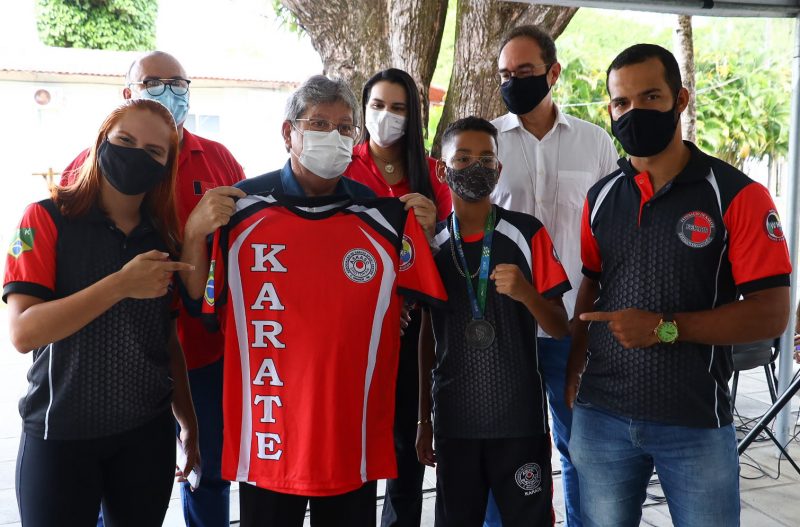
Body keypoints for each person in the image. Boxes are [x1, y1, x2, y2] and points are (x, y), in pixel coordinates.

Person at [181, 75, 448, 527]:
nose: (334, 136)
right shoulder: (242, 208)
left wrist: (419, 236)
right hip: (270, 429)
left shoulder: (379, 214)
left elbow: (415, 298)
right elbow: (199, 303)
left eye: (345, 127)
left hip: (347, 428)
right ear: (289, 133)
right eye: (320, 124)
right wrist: (193, 233)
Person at [566, 44, 791, 527]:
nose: (634, 112)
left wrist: (664, 327)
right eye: (621, 102)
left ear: (680, 99)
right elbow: (592, 287)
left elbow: (772, 312)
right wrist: (572, 372)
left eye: (650, 97)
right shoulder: (600, 197)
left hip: (694, 420)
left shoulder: (737, 195)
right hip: (601, 416)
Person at [61, 51, 246, 527]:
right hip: (121, 357)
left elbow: (244, 250)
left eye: (177, 83)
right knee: (114, 483)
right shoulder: (89, 164)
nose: (167, 92)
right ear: (128, 94)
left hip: (203, 350)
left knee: (207, 471)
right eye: (152, 82)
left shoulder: (219, 160)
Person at [6, 99, 200, 527]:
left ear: (166, 167)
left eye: (153, 151)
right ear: (101, 142)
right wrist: (120, 285)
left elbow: (167, 341)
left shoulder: (163, 237)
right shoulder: (44, 218)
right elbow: (23, 332)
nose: (135, 155)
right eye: (125, 140)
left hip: (146, 435)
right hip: (60, 433)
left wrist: (187, 421)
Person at [485, 24, 619, 527]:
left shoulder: (595, 142)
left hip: (573, 326)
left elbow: (611, 230)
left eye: (525, 71)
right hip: (504, 327)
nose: (513, 82)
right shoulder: (486, 141)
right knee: (503, 448)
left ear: (553, 72)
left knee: (581, 446)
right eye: (505, 74)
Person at [416, 116, 570, 527]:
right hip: (455, 422)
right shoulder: (433, 246)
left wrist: (527, 294)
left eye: (487, 159)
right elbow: (427, 337)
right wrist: (424, 419)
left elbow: (560, 326)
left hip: (519, 422)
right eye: (463, 158)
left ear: (499, 170)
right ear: (442, 169)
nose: (476, 167)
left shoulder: (526, 233)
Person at [344, 67, 452, 527]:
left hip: (415, 330)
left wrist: (431, 232)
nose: (385, 115)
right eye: (377, 105)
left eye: (398, 107)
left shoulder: (433, 174)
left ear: (414, 116)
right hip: (355, 330)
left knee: (406, 446)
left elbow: (449, 255)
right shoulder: (343, 166)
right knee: (356, 440)